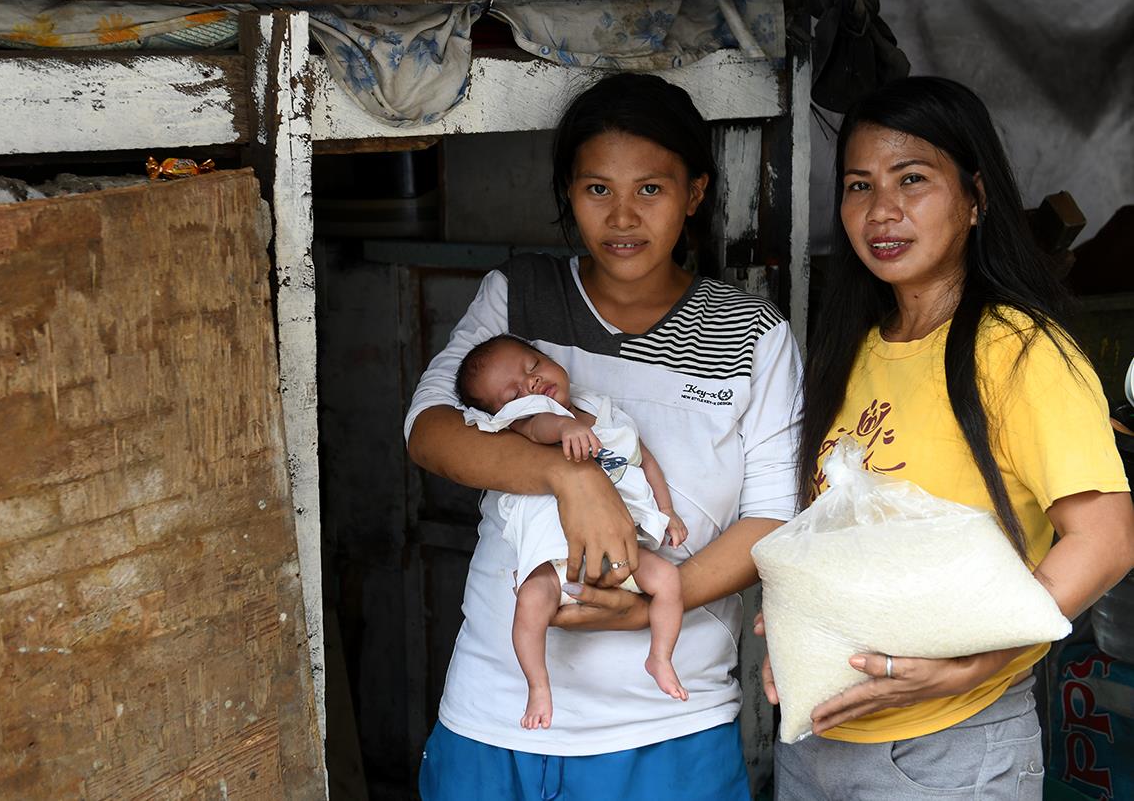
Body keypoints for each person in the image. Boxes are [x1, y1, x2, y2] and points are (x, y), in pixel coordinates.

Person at [405, 71, 803, 801]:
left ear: (695, 192)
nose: (623, 217)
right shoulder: (519, 297)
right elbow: (429, 431)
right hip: (497, 713)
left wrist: (652, 603)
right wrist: (569, 476)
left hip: (671, 726)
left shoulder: (753, 335)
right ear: (569, 192)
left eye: (650, 189)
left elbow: (773, 519)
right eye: (597, 189)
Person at [763, 76, 1134, 800]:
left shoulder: (1020, 351)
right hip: (816, 741)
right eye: (860, 185)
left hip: (949, 749)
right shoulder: (854, 349)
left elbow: (1107, 537)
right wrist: (798, 616)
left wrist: (978, 660)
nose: (882, 210)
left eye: (912, 179)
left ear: (975, 197)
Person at [455, 333, 692, 729]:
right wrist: (564, 427)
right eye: (514, 394)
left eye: (532, 366)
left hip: (621, 550)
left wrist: (667, 511)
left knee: (668, 579)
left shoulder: (603, 412)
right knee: (531, 602)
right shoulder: (533, 422)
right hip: (555, 560)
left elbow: (645, 460)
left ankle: (660, 657)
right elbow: (540, 425)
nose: (531, 384)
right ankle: (538, 686)